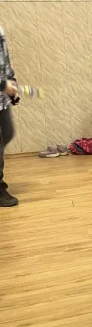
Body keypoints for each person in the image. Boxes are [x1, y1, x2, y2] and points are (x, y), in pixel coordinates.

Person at [0, 25, 18, 207]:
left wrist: (11, 80)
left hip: (1, 99)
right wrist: (2, 84)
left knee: (7, 133)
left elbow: (4, 59)